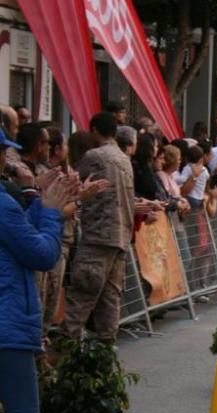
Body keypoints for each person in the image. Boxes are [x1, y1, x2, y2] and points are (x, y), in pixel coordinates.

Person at [1, 162, 82, 413]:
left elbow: (16, 234)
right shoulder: (2, 204)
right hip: (7, 326)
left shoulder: (6, 205)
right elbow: (42, 253)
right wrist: (51, 212)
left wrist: (41, 199)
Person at [57, 113, 137, 343]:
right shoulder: (124, 159)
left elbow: (74, 184)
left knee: (81, 298)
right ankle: (105, 354)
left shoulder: (95, 156)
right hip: (119, 236)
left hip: (97, 237)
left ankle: (63, 351)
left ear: (94, 130)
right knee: (110, 300)